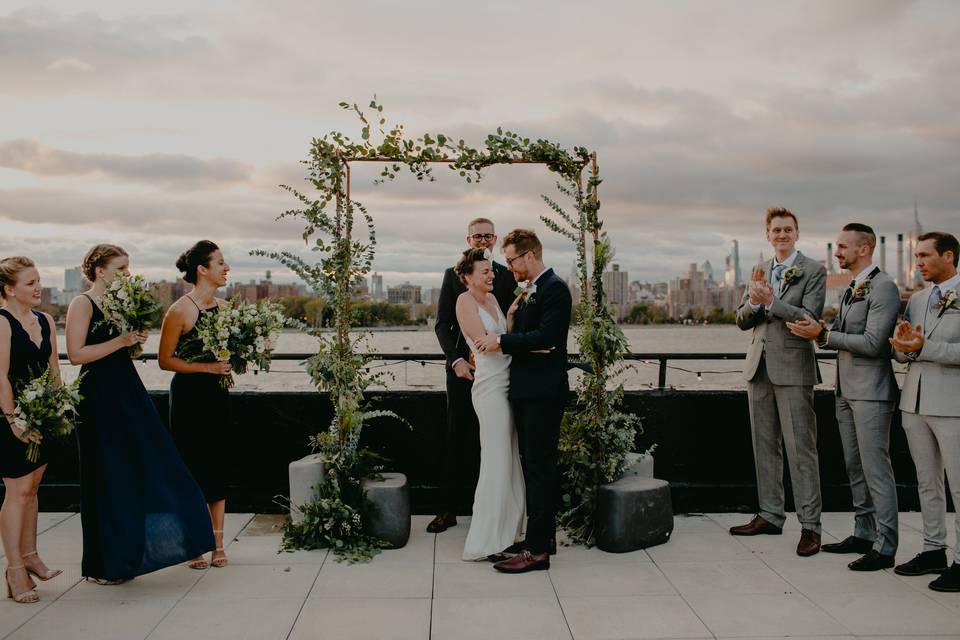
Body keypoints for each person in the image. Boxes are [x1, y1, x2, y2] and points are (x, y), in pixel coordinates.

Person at [66, 244, 215, 584]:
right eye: (120, 268)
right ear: (99, 270)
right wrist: (121, 341)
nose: (127, 275)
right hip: (97, 396)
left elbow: (121, 350)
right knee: (105, 474)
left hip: (127, 390)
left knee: (149, 461)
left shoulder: (121, 304)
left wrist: (133, 343)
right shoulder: (82, 303)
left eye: (128, 268)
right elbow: (75, 354)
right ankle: (105, 563)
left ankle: (157, 548)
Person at [787, 223, 900, 571]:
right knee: (854, 466)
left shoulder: (884, 288)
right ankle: (864, 532)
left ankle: (886, 545)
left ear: (864, 248)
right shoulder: (853, 287)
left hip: (871, 393)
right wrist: (822, 333)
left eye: (842, 247)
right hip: (846, 390)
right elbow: (845, 335)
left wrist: (823, 334)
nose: (837, 252)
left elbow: (873, 343)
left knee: (876, 469)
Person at [730, 208, 826, 557]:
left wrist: (773, 301)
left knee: (802, 448)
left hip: (794, 369)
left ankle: (810, 526)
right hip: (759, 368)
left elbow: (810, 319)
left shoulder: (814, 271)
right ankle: (770, 514)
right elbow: (741, 320)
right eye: (776, 230)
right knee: (764, 445)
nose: (782, 235)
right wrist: (755, 301)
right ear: (767, 235)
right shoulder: (759, 271)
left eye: (788, 230)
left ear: (796, 233)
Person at [475, 229, 572, 574]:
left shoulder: (555, 288)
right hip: (528, 389)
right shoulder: (530, 291)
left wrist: (503, 340)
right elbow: (534, 341)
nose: (509, 267)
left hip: (543, 392)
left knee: (539, 467)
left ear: (529, 255)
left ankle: (537, 552)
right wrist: (515, 329)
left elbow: (548, 338)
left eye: (512, 260)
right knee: (534, 466)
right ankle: (541, 539)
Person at [429, 218, 515, 533]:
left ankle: (495, 510)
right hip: (463, 371)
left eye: (487, 236)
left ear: (495, 240)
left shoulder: (506, 277)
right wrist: (455, 361)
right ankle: (447, 509)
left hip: (499, 372)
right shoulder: (453, 277)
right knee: (456, 435)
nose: (482, 240)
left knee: (496, 440)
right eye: (476, 235)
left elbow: (508, 325)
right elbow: (442, 324)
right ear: (468, 238)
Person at [890, 231, 960, 592]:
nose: (917, 263)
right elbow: (907, 351)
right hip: (914, 401)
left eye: (924, 256)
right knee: (926, 481)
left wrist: (925, 346)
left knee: (959, 486)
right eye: (915, 257)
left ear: (948, 256)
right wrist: (903, 346)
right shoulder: (916, 299)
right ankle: (934, 549)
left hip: (953, 403)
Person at [159, 241, 232, 570]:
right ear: (202, 269)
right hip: (189, 397)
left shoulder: (225, 308)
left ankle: (217, 541)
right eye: (219, 262)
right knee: (191, 468)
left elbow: (228, 353)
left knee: (218, 464)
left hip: (217, 394)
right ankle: (193, 542)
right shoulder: (179, 311)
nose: (225, 267)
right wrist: (207, 368)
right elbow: (164, 360)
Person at [454, 248, 526, 561]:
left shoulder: (494, 300)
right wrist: (506, 342)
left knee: (510, 459)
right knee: (495, 461)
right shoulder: (464, 302)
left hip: (509, 382)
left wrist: (509, 319)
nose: (491, 275)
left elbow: (500, 338)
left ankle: (509, 533)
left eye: (491, 271)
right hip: (489, 387)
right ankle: (488, 541)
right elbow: (484, 343)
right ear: (468, 276)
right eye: (484, 272)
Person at [0, 256, 61, 603]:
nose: (38, 288)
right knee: (18, 491)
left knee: (33, 487)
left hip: (43, 414)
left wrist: (58, 408)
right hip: (10, 419)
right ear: (9, 289)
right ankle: (14, 570)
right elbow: (0, 377)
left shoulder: (46, 320)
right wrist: (14, 422)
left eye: (38, 281)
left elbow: (53, 367)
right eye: (29, 283)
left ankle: (30, 555)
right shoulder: (2, 323)